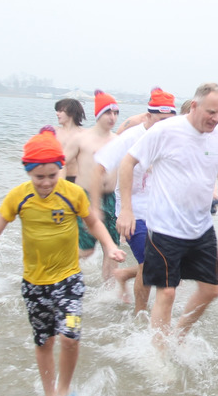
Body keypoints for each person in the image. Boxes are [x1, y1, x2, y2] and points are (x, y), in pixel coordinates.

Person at [0, 126, 125, 396]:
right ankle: (49, 395)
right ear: (28, 173)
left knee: (70, 336)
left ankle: (64, 389)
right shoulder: (18, 197)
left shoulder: (72, 194)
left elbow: (93, 222)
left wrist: (109, 246)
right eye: (38, 177)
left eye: (52, 175)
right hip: (35, 285)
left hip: (69, 281)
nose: (46, 183)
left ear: (62, 168)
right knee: (44, 341)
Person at [117, 82, 218, 351]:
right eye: (211, 112)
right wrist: (127, 210)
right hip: (164, 227)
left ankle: (176, 336)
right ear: (194, 106)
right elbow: (128, 162)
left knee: (212, 290)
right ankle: (159, 354)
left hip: (200, 227)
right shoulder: (166, 131)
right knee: (167, 292)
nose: (215, 119)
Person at [92, 88, 177, 311]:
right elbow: (98, 167)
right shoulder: (130, 137)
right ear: (148, 117)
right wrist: (91, 205)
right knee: (148, 263)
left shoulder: (172, 138)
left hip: (162, 213)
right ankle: (140, 315)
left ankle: (124, 279)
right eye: (160, 121)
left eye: (169, 121)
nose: (164, 127)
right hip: (133, 214)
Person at [63, 89, 120, 281]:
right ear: (98, 115)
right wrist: (60, 192)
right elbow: (61, 164)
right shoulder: (82, 139)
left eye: (116, 113)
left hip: (110, 198)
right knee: (86, 249)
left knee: (111, 246)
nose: (112, 117)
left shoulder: (118, 141)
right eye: (108, 113)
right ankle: (58, 267)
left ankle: (108, 292)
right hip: (84, 196)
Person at [54, 98, 86, 183]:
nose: (57, 114)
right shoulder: (54, 132)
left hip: (76, 180)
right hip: (56, 178)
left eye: (60, 111)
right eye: (57, 111)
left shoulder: (84, 134)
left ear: (71, 112)